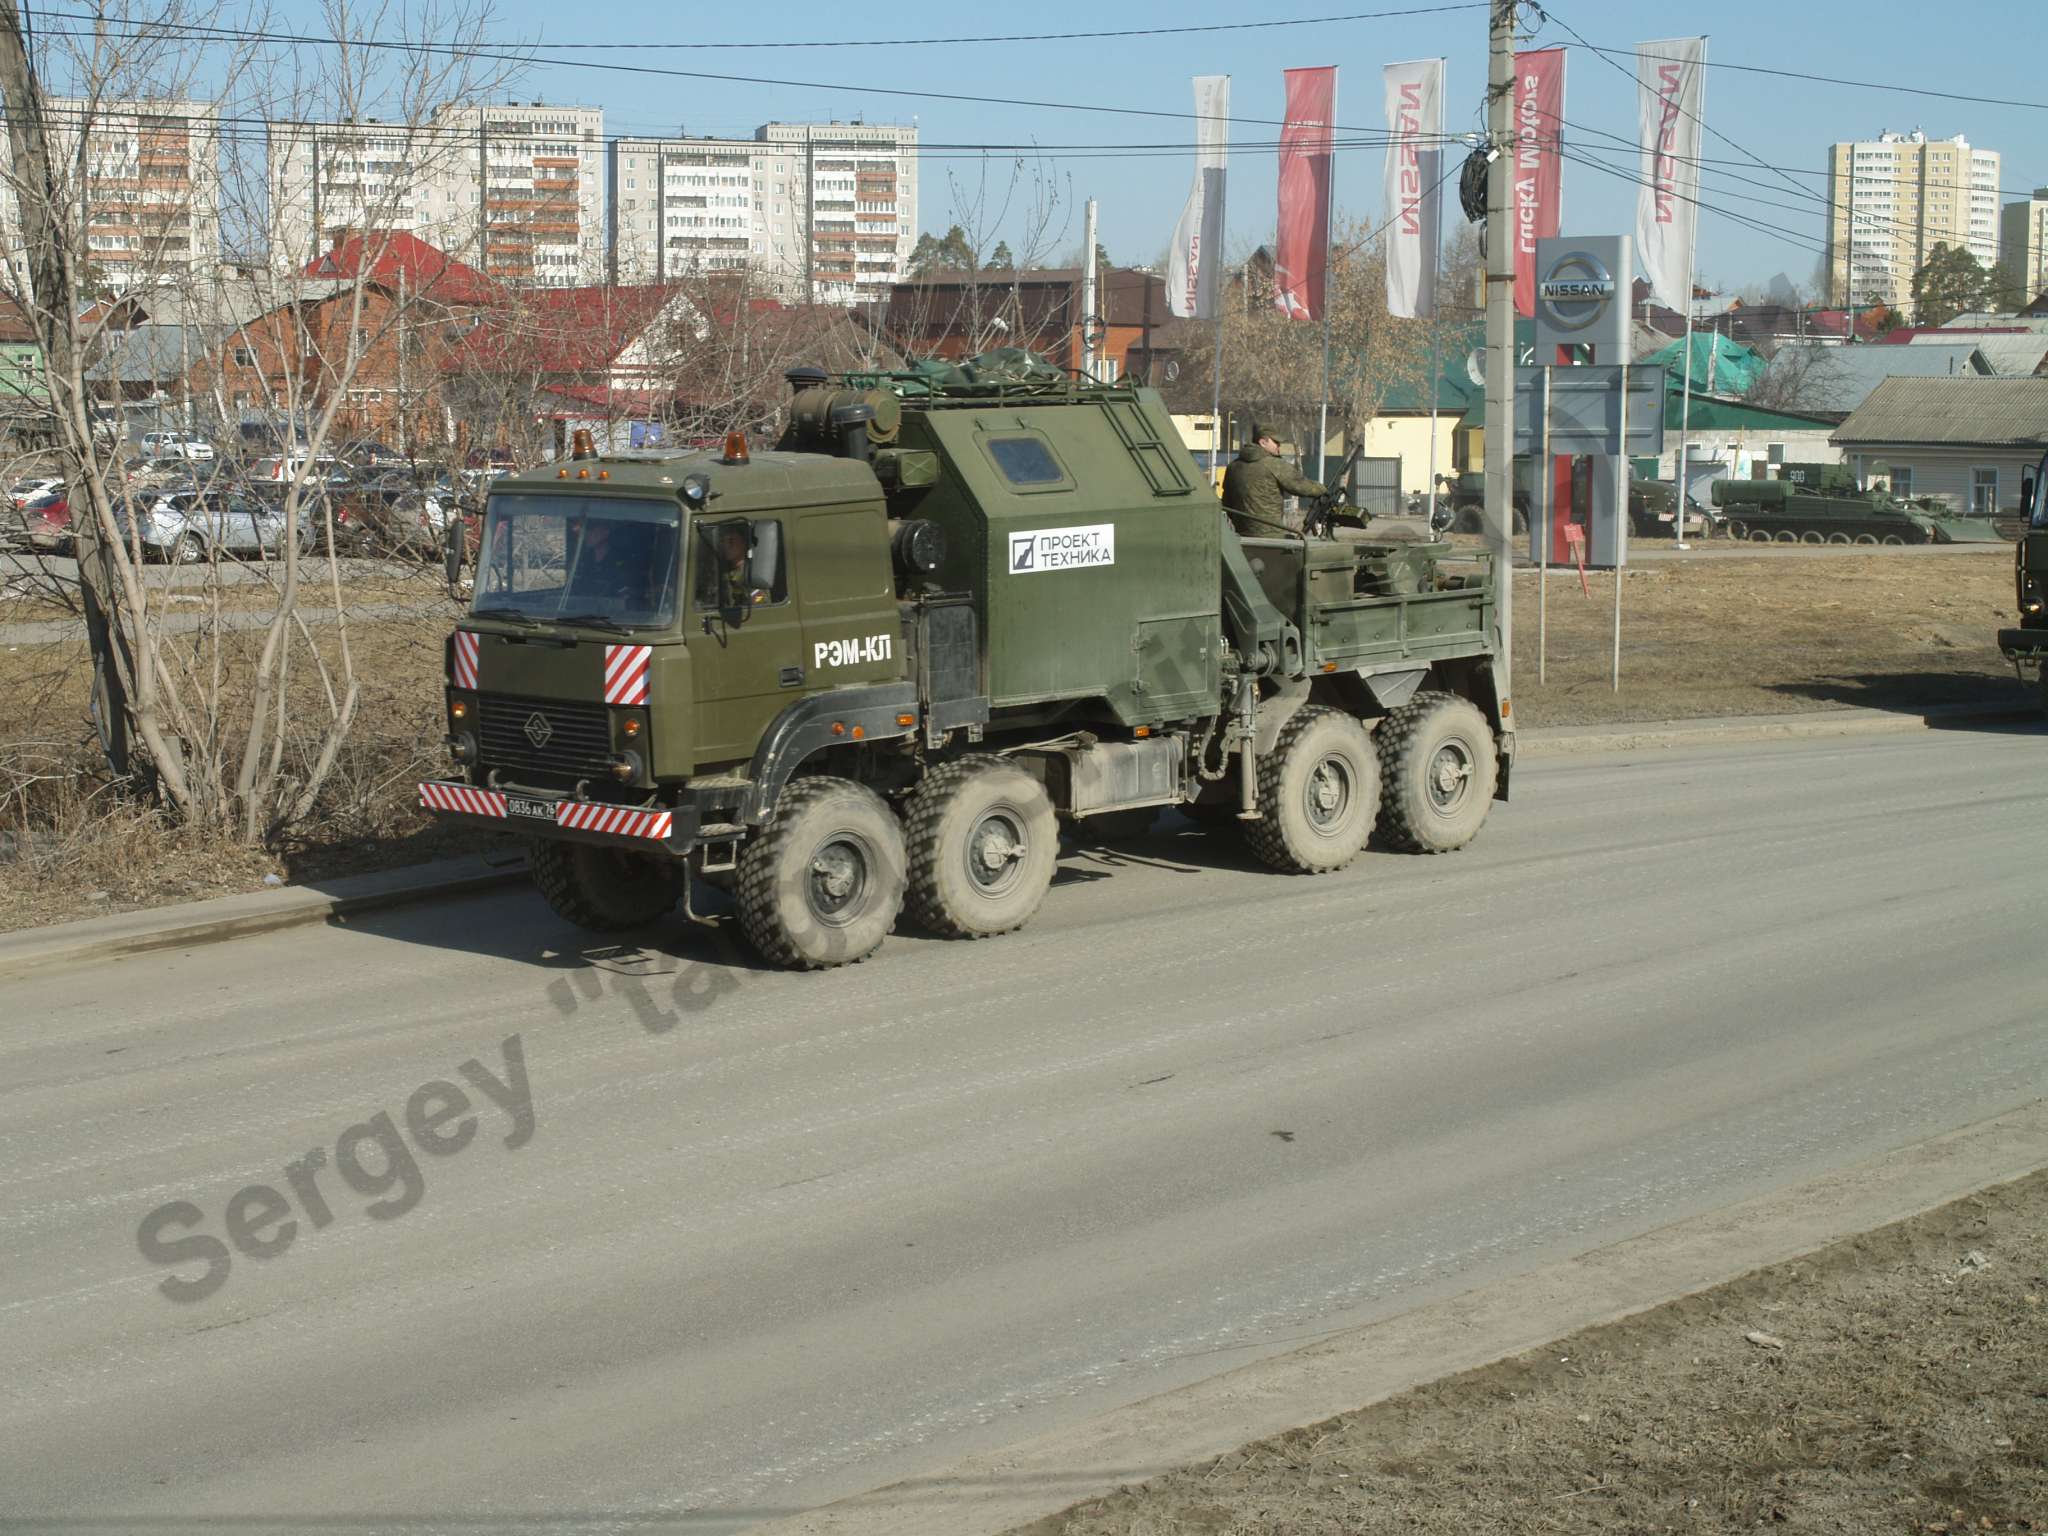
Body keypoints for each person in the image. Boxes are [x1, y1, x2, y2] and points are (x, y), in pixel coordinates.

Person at [1221, 424, 1328, 537]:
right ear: (1263, 442)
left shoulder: (1233, 466)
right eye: (1276, 442)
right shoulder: (1275, 464)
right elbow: (1301, 486)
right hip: (1273, 534)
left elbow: (1227, 502)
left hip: (1242, 534)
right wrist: (1323, 490)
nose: (1279, 446)